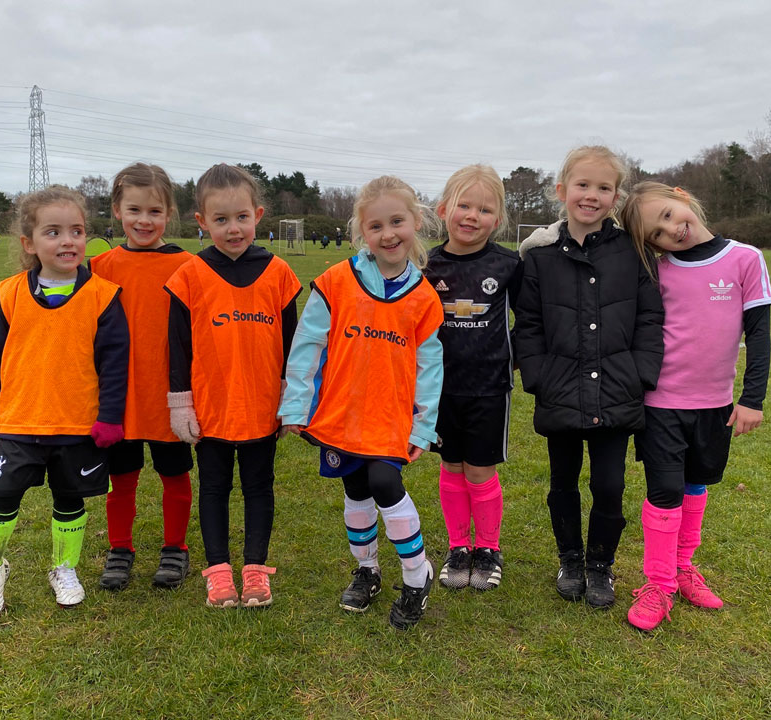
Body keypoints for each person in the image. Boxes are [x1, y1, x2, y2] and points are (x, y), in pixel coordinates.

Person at [279, 176, 444, 630]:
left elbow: (431, 370)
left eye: (397, 221)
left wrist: (423, 426)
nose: (388, 233)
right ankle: (367, 570)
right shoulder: (336, 282)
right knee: (355, 490)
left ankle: (416, 575)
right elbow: (307, 343)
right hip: (342, 414)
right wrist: (296, 405)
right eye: (376, 226)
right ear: (361, 233)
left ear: (416, 222)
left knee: (384, 482)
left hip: (390, 418)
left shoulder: (424, 298)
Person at [0, 186, 130, 621]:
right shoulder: (10, 294)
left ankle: (64, 568)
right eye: (53, 232)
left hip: (77, 425)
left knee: (70, 499)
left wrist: (110, 418)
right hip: (20, 422)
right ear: (29, 243)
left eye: (76, 231)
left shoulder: (104, 296)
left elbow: (116, 365)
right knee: (2, 499)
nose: (67, 241)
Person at [619, 182, 771, 631]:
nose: (672, 230)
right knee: (664, 489)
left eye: (669, 214)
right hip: (661, 402)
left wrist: (752, 398)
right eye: (658, 233)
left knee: (695, 484)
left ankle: (684, 567)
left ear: (681, 197)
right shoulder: (656, 270)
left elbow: (759, 335)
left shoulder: (746, 258)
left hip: (716, 404)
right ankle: (659, 583)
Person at [514, 146, 664, 609]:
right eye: (583, 185)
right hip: (559, 389)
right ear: (562, 191)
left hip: (618, 391)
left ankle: (600, 564)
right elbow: (530, 324)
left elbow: (650, 320)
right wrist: (538, 376)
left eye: (603, 187)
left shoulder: (634, 253)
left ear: (615, 197)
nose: (591, 195)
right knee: (563, 480)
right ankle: (570, 559)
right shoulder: (539, 258)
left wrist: (640, 373)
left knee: (609, 484)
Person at [165, 164, 301, 609]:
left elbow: (293, 345)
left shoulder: (279, 273)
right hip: (211, 408)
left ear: (258, 214)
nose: (233, 228)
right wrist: (181, 404)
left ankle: (256, 570)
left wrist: (290, 397)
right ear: (201, 221)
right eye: (220, 220)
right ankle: (219, 572)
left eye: (241, 217)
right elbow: (178, 347)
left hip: (262, 405)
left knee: (260, 486)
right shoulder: (189, 275)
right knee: (214, 488)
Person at [90, 163, 195, 592]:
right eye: (134, 209)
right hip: (120, 397)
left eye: (154, 211)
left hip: (169, 394)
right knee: (123, 478)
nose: (144, 220)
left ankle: (176, 548)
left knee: (174, 474)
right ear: (117, 211)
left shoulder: (189, 266)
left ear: (169, 212)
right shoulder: (99, 267)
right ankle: (120, 549)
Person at [424, 165, 522, 592]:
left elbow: (531, 321)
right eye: (463, 205)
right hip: (440, 389)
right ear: (444, 209)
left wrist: (507, 357)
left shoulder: (508, 264)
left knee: (479, 471)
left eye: (484, 209)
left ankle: (488, 548)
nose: (471, 216)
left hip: (488, 389)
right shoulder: (426, 263)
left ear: (496, 219)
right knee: (450, 465)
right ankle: (458, 547)